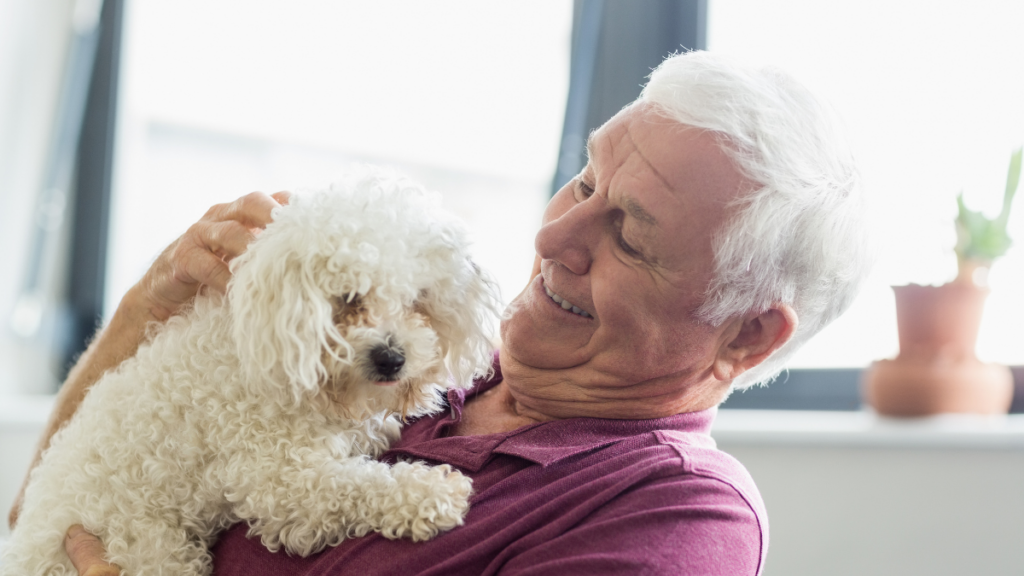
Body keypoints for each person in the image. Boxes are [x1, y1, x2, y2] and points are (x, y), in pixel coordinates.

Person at [11, 51, 871, 575]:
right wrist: (144, 314)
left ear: (747, 333)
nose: (556, 235)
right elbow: (39, 516)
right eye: (584, 180)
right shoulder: (430, 361)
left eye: (631, 236)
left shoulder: (675, 520)